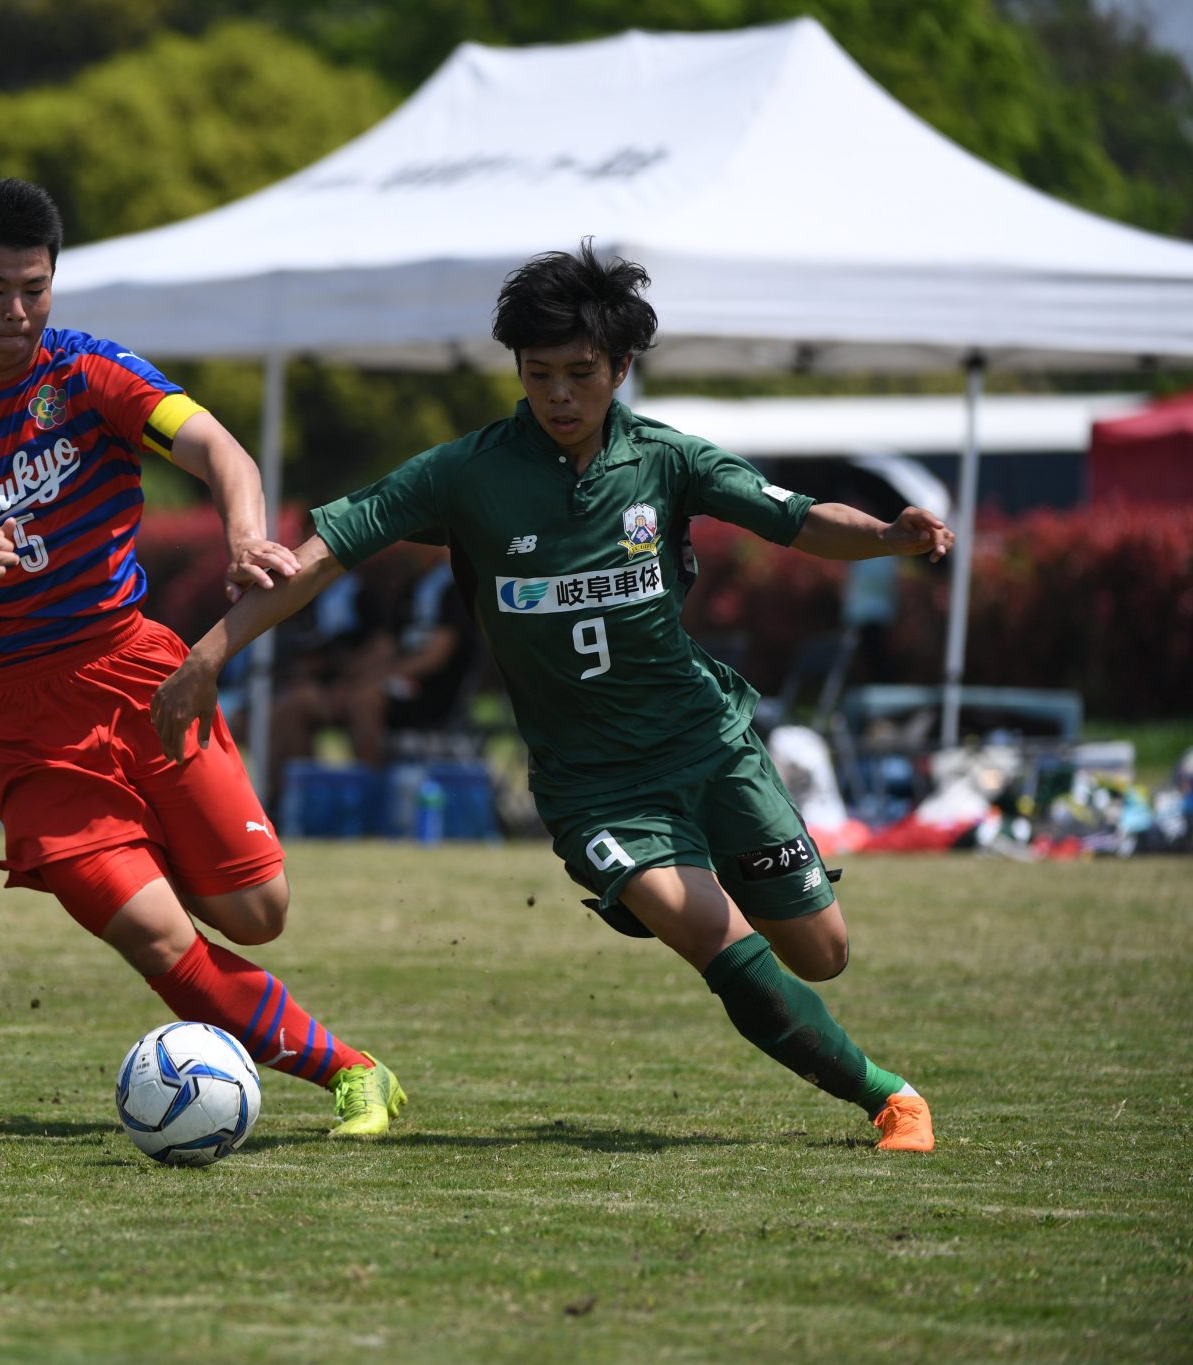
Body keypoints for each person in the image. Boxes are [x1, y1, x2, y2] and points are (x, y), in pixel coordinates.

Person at [153, 243, 954, 1152]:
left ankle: (710, 863)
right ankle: (890, 1098)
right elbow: (320, 558)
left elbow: (798, 518)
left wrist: (887, 535)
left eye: (581, 373)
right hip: (592, 783)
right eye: (540, 375)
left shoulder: (666, 460)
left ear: (621, 367)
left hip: (708, 743)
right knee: (708, 932)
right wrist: (207, 655)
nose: (560, 395)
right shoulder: (467, 473)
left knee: (822, 951)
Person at [0, 176, 404, 1137]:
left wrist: (245, 535)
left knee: (258, 910)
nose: (18, 311)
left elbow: (223, 453)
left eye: (35, 288)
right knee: (157, 935)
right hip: (24, 721)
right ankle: (353, 1071)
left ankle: (153, 850)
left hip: (142, 675)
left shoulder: (87, 372)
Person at [269, 551, 477, 791]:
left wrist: (376, 677)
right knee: (297, 703)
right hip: (385, 681)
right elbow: (385, 647)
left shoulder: (452, 588)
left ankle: (370, 793)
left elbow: (435, 657)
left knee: (364, 699)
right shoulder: (414, 586)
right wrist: (348, 678)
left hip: (430, 691)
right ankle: (297, 796)